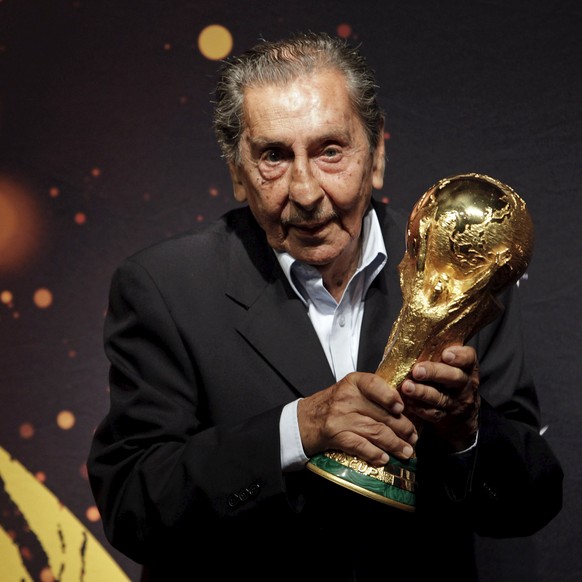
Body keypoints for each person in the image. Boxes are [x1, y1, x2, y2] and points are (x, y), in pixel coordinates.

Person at [87, 32, 563, 581]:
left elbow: (532, 503)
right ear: (238, 174)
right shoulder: (163, 288)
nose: (307, 190)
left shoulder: (461, 270)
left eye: (330, 150)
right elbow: (133, 508)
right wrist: (299, 428)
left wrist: (466, 433)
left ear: (377, 156)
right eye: (273, 156)